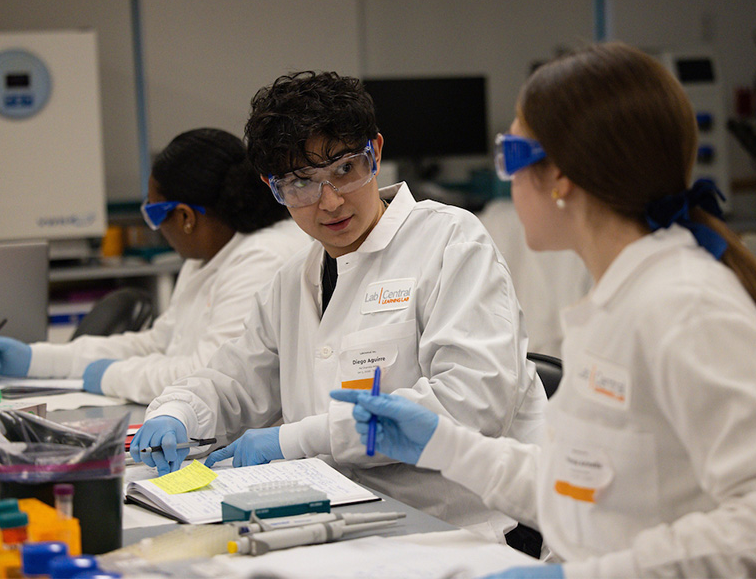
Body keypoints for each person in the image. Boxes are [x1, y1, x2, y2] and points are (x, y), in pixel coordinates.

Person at [331, 43, 756, 577]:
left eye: (511, 155)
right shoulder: (614, 301)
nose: (507, 179)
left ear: (560, 176)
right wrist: (443, 445)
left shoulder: (684, 306)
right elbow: (583, 488)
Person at [130, 71, 546, 541]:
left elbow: (473, 403)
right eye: (300, 183)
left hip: (452, 529)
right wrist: (178, 411)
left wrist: (297, 438)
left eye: (346, 169)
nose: (329, 202)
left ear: (376, 153)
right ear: (273, 188)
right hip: (335, 520)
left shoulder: (450, 242)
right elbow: (236, 379)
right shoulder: (293, 281)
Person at [0, 128, 309, 405]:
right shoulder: (209, 254)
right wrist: (36, 359)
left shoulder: (263, 258)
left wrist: (108, 376)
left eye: (153, 214)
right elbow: (158, 344)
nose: (156, 228)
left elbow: (209, 374)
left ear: (185, 217)